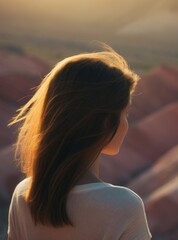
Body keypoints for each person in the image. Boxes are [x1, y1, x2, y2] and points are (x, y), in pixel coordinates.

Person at [7, 44, 152, 240]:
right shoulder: (123, 206)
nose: (127, 123)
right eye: (125, 113)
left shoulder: (24, 194)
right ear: (105, 121)